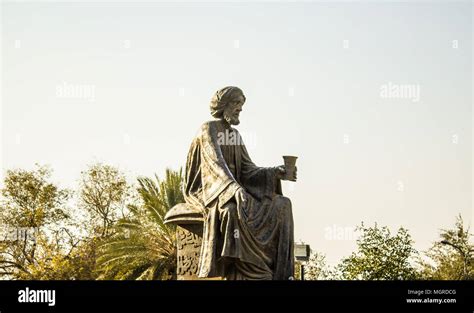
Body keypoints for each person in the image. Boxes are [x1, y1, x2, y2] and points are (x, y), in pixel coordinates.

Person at [183, 86, 296, 280]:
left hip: (234, 189)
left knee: (283, 204)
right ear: (223, 105)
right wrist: (233, 188)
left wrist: (275, 173)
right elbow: (214, 165)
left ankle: (278, 273)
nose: (240, 109)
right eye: (236, 104)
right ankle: (245, 269)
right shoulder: (208, 128)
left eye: (241, 105)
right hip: (211, 190)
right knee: (231, 212)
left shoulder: (235, 135)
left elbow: (247, 170)